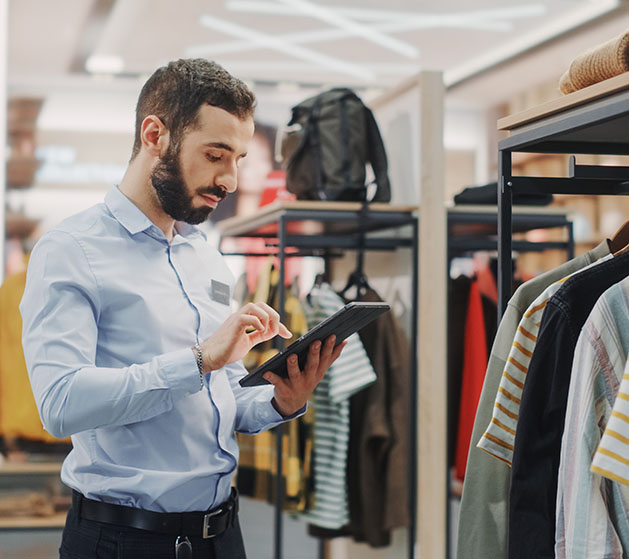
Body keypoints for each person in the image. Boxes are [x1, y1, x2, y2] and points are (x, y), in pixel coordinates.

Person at [19, 58, 345, 559]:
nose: (231, 180)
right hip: (122, 541)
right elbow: (60, 405)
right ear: (155, 134)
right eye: (216, 155)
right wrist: (199, 360)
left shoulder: (207, 260)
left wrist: (281, 399)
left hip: (221, 536)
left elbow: (222, 397)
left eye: (237, 158)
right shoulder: (70, 250)